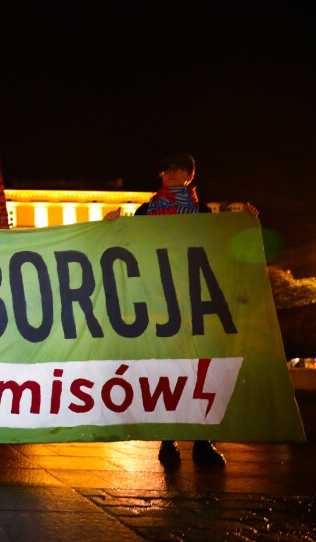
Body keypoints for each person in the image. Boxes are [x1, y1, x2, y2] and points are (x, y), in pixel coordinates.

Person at [105, 153, 258, 468]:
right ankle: (168, 440)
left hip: (195, 301)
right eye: (167, 169)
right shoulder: (145, 211)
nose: (173, 173)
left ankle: (202, 441)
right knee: (166, 370)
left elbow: (222, 245)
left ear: (190, 175)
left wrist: (245, 224)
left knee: (200, 370)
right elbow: (130, 246)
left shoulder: (202, 211)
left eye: (179, 169)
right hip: (158, 301)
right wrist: (113, 228)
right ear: (160, 174)